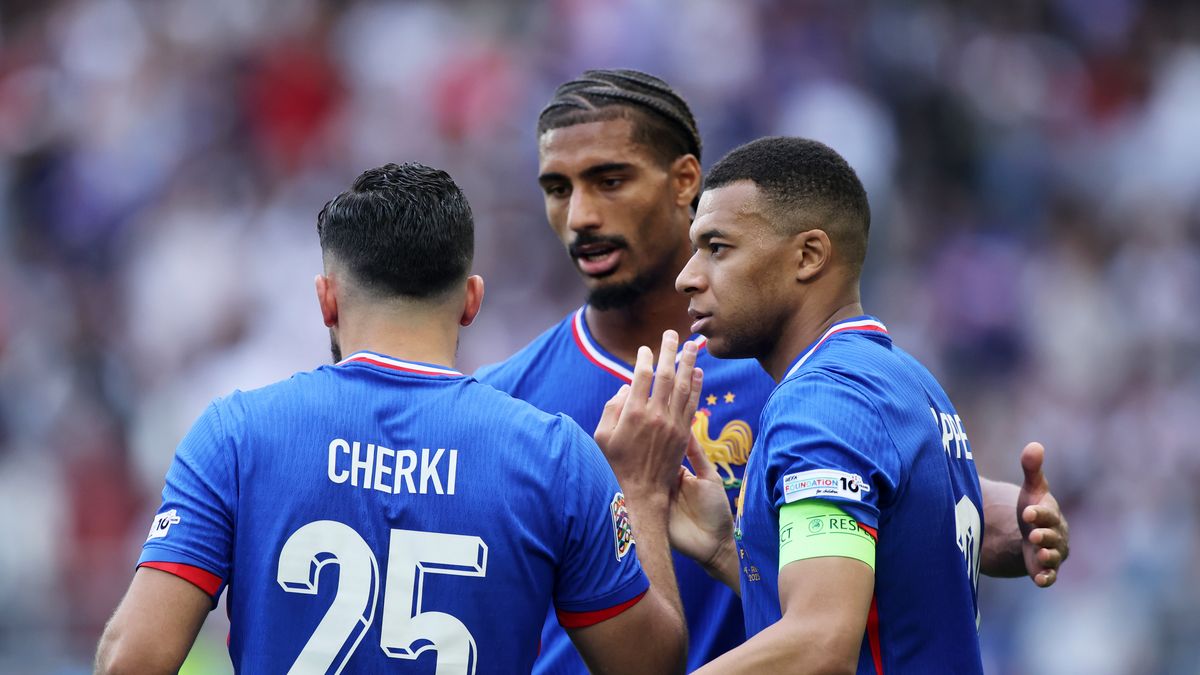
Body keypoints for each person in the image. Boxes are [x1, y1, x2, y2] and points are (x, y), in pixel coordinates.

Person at [476, 69, 1068, 673]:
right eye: (556, 188)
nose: (581, 215)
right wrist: (722, 546)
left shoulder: (805, 387)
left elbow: (823, 636)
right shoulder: (501, 403)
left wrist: (1013, 524)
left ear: (684, 182)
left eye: (609, 181)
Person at [94, 162, 694, 674]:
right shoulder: (555, 455)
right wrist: (640, 492)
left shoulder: (236, 435)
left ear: (326, 298)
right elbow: (649, 666)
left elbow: (133, 661)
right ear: (471, 301)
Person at [666, 135, 997, 672]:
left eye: (717, 247)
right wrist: (728, 549)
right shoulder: (908, 381)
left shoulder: (825, 400)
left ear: (809, 256)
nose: (688, 277)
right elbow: (874, 607)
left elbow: (821, 644)